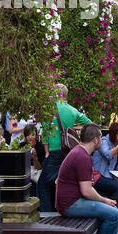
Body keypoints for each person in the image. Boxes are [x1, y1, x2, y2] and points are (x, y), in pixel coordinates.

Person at [55, 124, 118, 234]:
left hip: (70, 201)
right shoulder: (82, 156)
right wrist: (104, 200)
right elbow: (86, 190)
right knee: (114, 215)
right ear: (96, 140)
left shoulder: (79, 152)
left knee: (112, 212)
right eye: (101, 138)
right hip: (71, 204)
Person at [37, 85, 90, 214]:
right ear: (66, 95)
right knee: (59, 180)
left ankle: (46, 213)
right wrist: (74, 129)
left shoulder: (50, 109)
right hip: (68, 150)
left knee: (42, 184)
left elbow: (45, 130)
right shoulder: (72, 110)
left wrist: (46, 151)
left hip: (54, 149)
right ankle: (57, 210)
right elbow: (89, 123)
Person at [95, 122, 118, 224]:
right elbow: (107, 155)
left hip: (111, 175)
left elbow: (116, 165)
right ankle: (113, 216)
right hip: (98, 176)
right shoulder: (104, 142)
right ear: (113, 134)